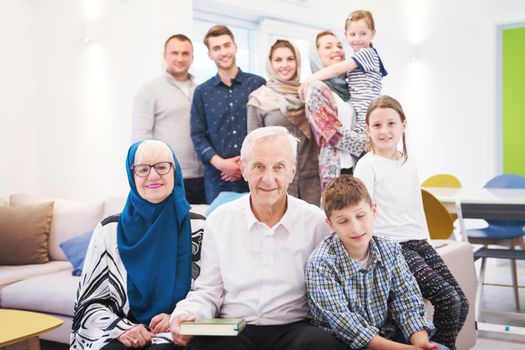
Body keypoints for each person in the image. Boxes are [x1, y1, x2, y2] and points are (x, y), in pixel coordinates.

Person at [170, 126, 345, 350]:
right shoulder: (219, 220)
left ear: (292, 171)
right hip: (233, 328)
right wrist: (188, 314)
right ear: (244, 169)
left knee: (323, 345)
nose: (268, 178)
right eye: (258, 166)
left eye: (279, 167)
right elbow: (208, 290)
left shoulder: (316, 222)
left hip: (294, 328)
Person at [353, 96, 468, 350]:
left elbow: (416, 206)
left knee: (462, 302)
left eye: (391, 123)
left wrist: (428, 242)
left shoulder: (409, 161)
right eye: (377, 125)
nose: (385, 131)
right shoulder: (367, 165)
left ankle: (438, 346)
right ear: (367, 129)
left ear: (403, 125)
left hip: (418, 241)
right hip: (391, 247)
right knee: (448, 300)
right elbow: (361, 213)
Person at [71, 140, 205, 350]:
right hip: (121, 329)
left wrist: (177, 317)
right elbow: (89, 303)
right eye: (142, 169)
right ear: (132, 176)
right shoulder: (109, 229)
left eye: (162, 167)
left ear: (175, 171)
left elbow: (211, 291)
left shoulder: (199, 226)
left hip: (178, 328)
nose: (153, 176)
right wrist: (122, 328)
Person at [306, 175, 446, 350]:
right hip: (345, 344)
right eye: (343, 221)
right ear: (331, 224)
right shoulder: (321, 263)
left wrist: (421, 345)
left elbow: (408, 301)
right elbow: (348, 326)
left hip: (389, 336)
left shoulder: (390, 250)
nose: (355, 228)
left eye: (361, 216)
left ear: (373, 211)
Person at [190, 25, 265, 204]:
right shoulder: (202, 92)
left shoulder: (257, 84)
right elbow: (197, 136)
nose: (223, 52)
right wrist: (222, 164)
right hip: (218, 179)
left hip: (256, 174)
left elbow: (266, 130)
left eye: (226, 45)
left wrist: (246, 163)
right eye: (216, 48)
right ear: (210, 54)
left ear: (235, 46)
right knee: (220, 229)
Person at [132, 34, 205, 204]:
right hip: (169, 177)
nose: (180, 58)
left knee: (202, 228)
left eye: (185, 53)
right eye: (174, 53)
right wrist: (151, 175)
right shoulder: (149, 90)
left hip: (204, 177)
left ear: (192, 58)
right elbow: (140, 139)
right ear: (165, 56)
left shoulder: (202, 89)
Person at [247, 39, 321, 205]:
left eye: (290, 59)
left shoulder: (310, 93)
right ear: (270, 64)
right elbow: (252, 149)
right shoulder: (259, 98)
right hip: (274, 182)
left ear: (297, 62)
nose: (285, 65)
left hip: (312, 180)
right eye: (278, 60)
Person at [302, 10, 387, 138]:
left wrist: (308, 79)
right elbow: (332, 135)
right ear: (346, 35)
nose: (357, 39)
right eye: (328, 47)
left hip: (367, 111)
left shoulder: (365, 54)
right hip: (339, 156)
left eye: (363, 34)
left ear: (372, 33)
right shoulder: (316, 89)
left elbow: (336, 70)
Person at [304, 31, 367, 190]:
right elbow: (332, 132)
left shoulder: (350, 87)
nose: (336, 50)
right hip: (336, 170)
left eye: (339, 45)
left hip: (359, 165)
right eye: (328, 47)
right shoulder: (315, 88)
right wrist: (367, 144)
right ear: (316, 55)